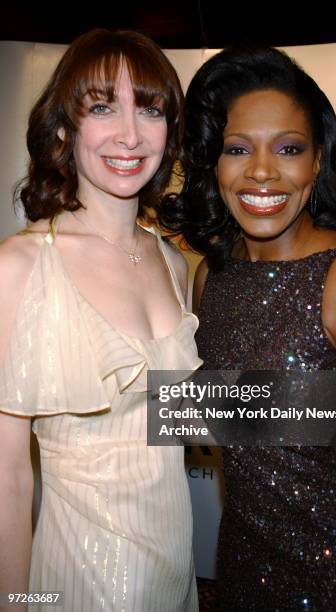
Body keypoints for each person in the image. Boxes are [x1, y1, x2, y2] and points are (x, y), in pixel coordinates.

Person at [161, 45, 336, 610]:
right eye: (236, 149)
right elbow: (218, 421)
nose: (262, 171)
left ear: (318, 161)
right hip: (243, 557)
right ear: (211, 164)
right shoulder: (212, 281)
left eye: (289, 149)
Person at [0, 29, 202, 612]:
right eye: (102, 108)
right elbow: (9, 479)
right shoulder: (21, 267)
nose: (130, 135)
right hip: (80, 584)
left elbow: (172, 416)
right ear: (65, 128)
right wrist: (19, 605)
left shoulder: (169, 261)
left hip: (174, 576)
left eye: (149, 109)